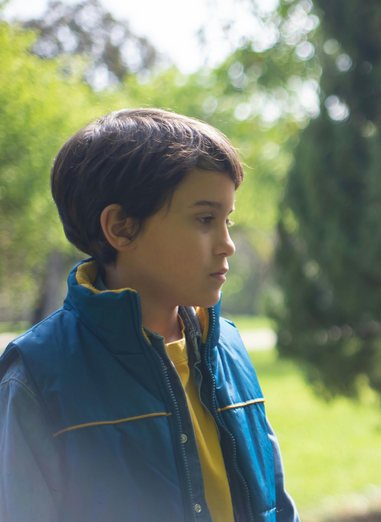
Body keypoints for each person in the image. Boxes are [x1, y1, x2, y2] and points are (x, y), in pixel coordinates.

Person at [0, 109, 298, 522]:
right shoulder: (36, 374)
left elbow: (277, 505)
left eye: (228, 220)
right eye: (205, 219)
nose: (228, 244)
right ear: (121, 227)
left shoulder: (227, 345)